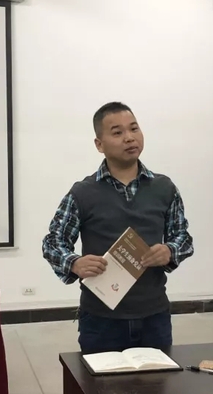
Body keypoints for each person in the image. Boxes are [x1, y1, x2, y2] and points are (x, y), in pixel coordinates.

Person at [42, 101, 194, 354]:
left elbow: (183, 238)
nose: (129, 138)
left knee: (158, 379)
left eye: (134, 128)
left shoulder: (164, 188)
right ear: (99, 145)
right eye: (117, 132)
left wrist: (170, 250)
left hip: (154, 316)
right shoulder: (83, 192)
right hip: (100, 319)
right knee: (99, 380)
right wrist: (74, 263)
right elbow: (53, 242)